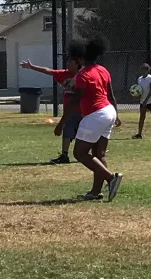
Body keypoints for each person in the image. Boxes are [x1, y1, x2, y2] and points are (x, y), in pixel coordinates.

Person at [28, 40, 122, 201]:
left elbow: (75, 101)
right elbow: (110, 95)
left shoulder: (83, 75)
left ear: (80, 59)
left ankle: (111, 178)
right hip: (109, 111)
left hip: (95, 114)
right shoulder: (102, 70)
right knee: (98, 154)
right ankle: (95, 192)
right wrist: (116, 114)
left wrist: (61, 123)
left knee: (79, 152)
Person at [21, 46, 85, 163]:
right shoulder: (63, 74)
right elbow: (48, 71)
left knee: (86, 133)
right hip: (69, 111)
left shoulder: (84, 75)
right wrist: (32, 67)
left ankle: (88, 153)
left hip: (84, 111)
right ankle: (64, 155)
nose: (67, 64)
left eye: (70, 62)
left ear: (77, 64)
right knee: (67, 132)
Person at [133, 62, 151, 139]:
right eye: (141, 70)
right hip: (143, 101)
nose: (142, 71)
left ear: (147, 70)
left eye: (144, 70)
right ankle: (139, 134)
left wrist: (146, 101)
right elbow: (140, 90)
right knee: (142, 117)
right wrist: (138, 95)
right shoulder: (139, 79)